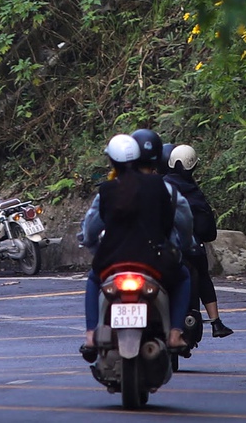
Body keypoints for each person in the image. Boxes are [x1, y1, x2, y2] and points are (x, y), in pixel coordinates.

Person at [76, 133, 193, 356]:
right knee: (184, 276)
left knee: (93, 278)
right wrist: (186, 246)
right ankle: (175, 333)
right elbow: (184, 220)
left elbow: (90, 229)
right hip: (155, 260)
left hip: (112, 261)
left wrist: (93, 248)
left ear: (111, 161)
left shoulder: (107, 189)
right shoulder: (161, 187)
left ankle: (91, 335)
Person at [168, 143, 232, 336]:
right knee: (202, 274)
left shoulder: (158, 186)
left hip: (159, 247)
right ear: (193, 166)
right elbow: (207, 229)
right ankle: (216, 322)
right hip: (188, 247)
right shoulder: (193, 192)